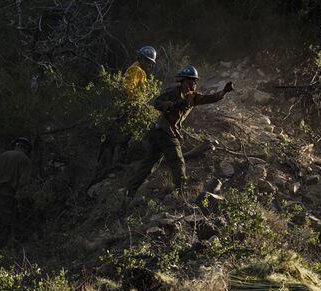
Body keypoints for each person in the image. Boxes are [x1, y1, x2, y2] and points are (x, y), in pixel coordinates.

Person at [126, 65, 233, 198]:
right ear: (184, 81)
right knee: (177, 162)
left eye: (195, 81)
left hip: (163, 133)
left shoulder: (193, 97)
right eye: (192, 81)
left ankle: (129, 192)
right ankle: (182, 195)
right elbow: (157, 102)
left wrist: (224, 91)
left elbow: (211, 98)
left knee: (149, 164)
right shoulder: (173, 92)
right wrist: (172, 104)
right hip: (165, 132)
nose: (194, 84)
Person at [89, 46, 157, 190]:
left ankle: (112, 168)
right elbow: (128, 90)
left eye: (151, 62)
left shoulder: (140, 71)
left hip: (129, 109)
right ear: (142, 59)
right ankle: (109, 170)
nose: (150, 65)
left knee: (123, 138)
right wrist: (136, 105)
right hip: (126, 110)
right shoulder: (136, 70)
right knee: (119, 138)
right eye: (149, 62)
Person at [0, 137, 32, 246]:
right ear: (26, 149)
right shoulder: (24, 159)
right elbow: (23, 182)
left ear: (16, 145)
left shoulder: (2, 156)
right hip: (6, 193)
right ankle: (3, 252)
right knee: (6, 224)